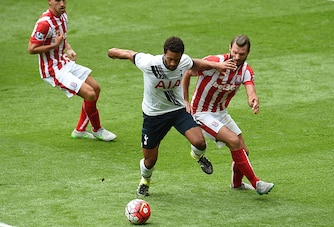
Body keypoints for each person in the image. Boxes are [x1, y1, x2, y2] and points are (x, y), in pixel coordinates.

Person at [107, 36, 229, 196]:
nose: (173, 64)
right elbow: (130, 54)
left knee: (200, 142)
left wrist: (216, 65)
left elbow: (196, 63)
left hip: (177, 110)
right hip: (153, 115)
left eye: (176, 60)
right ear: (164, 53)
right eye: (170, 59)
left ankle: (197, 156)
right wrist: (113, 52)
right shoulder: (150, 63)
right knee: (149, 161)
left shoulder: (183, 61)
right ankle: (145, 180)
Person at [182, 35, 274, 195]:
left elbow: (250, 91)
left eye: (242, 54)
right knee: (233, 141)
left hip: (220, 112)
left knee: (243, 151)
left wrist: (253, 100)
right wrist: (185, 100)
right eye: (235, 52)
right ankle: (256, 182)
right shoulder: (213, 62)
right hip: (201, 113)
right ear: (229, 48)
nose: (237, 57)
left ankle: (236, 184)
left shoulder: (246, 71)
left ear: (248, 53)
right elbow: (188, 72)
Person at [28, 0, 116, 141]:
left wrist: (68, 48)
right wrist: (55, 45)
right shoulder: (44, 24)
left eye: (64, 0)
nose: (62, 4)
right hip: (54, 70)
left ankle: (80, 130)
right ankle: (97, 129)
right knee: (90, 94)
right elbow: (31, 49)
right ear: (49, 1)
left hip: (64, 62)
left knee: (96, 88)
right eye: (58, 1)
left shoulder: (63, 16)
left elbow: (61, 36)